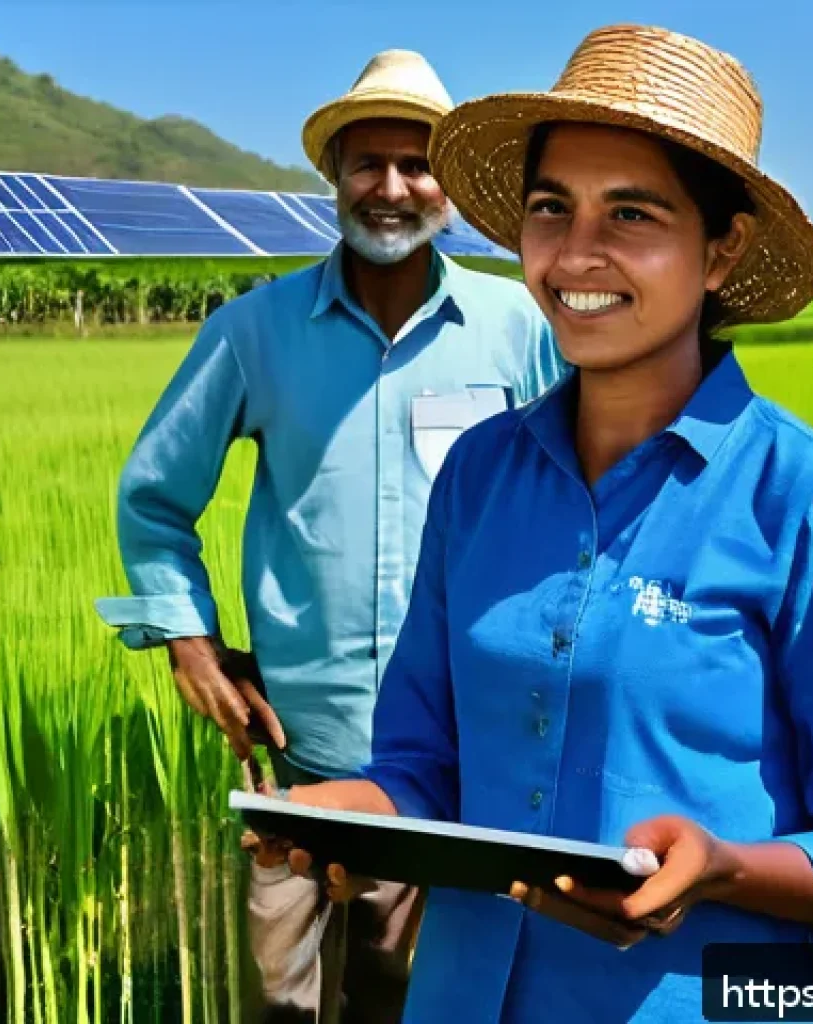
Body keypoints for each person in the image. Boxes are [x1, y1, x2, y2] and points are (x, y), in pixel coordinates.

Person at [264, 24, 813, 1022]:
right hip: (459, 997)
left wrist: (722, 870)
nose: (576, 253)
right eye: (549, 208)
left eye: (631, 213)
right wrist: (339, 815)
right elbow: (418, 762)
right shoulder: (479, 474)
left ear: (721, 249)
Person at [94, 47, 564, 1024]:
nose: (391, 188)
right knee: (282, 1003)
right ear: (333, 177)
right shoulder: (252, 331)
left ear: (449, 184)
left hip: (455, 771)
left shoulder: (518, 326)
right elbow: (152, 496)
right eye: (366, 164)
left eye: (417, 163)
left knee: (415, 998)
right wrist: (184, 638)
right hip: (297, 763)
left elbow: (579, 510)